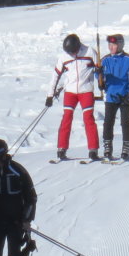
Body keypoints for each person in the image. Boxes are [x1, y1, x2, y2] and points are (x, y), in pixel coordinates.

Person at [45, 33, 102, 162]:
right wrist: (50, 95)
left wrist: (100, 81)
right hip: (70, 92)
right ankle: (61, 148)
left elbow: (99, 70)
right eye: (69, 52)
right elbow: (55, 76)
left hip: (86, 90)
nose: (72, 54)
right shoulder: (64, 57)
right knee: (66, 118)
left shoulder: (89, 52)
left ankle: (93, 150)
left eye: (73, 51)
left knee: (88, 118)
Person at [98, 34, 129, 161]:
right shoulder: (105, 60)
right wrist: (100, 78)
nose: (111, 47)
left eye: (114, 45)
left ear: (121, 45)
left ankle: (126, 148)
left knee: (125, 121)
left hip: (125, 96)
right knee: (108, 122)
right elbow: (101, 79)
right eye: (109, 45)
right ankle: (107, 148)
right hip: (111, 96)